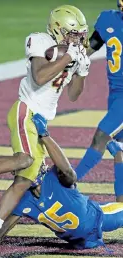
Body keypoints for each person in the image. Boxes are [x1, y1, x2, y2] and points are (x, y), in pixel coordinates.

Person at [0, 5, 90, 258]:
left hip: (40, 120)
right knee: (24, 159)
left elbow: (73, 95)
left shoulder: (69, 52)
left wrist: (82, 70)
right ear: (58, 29)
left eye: (80, 34)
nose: (77, 39)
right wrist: (67, 58)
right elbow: (38, 77)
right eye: (73, 34)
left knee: (25, 180)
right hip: (26, 110)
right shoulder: (40, 41)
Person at [0, 113, 123, 258]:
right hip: (77, 242)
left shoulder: (54, 177)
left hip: (99, 219)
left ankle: (118, 156)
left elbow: (70, 173)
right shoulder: (23, 200)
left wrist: (45, 136)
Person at [75, 1, 123, 203]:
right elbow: (90, 47)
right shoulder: (108, 19)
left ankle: (67, 182)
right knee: (120, 150)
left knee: (101, 137)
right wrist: (68, 58)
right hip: (115, 94)